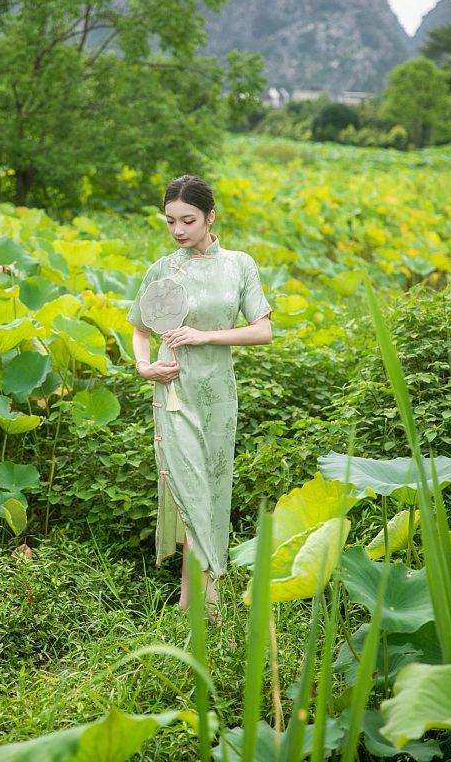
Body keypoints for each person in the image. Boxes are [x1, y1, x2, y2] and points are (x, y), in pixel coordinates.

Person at [127, 175, 272, 622]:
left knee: (212, 492)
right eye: (170, 220)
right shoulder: (163, 270)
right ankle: (205, 606)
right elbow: (139, 327)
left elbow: (262, 330)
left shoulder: (239, 265)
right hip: (173, 393)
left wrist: (205, 335)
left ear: (210, 217)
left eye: (188, 220)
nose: (178, 230)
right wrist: (143, 366)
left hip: (218, 398)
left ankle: (195, 604)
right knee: (189, 491)